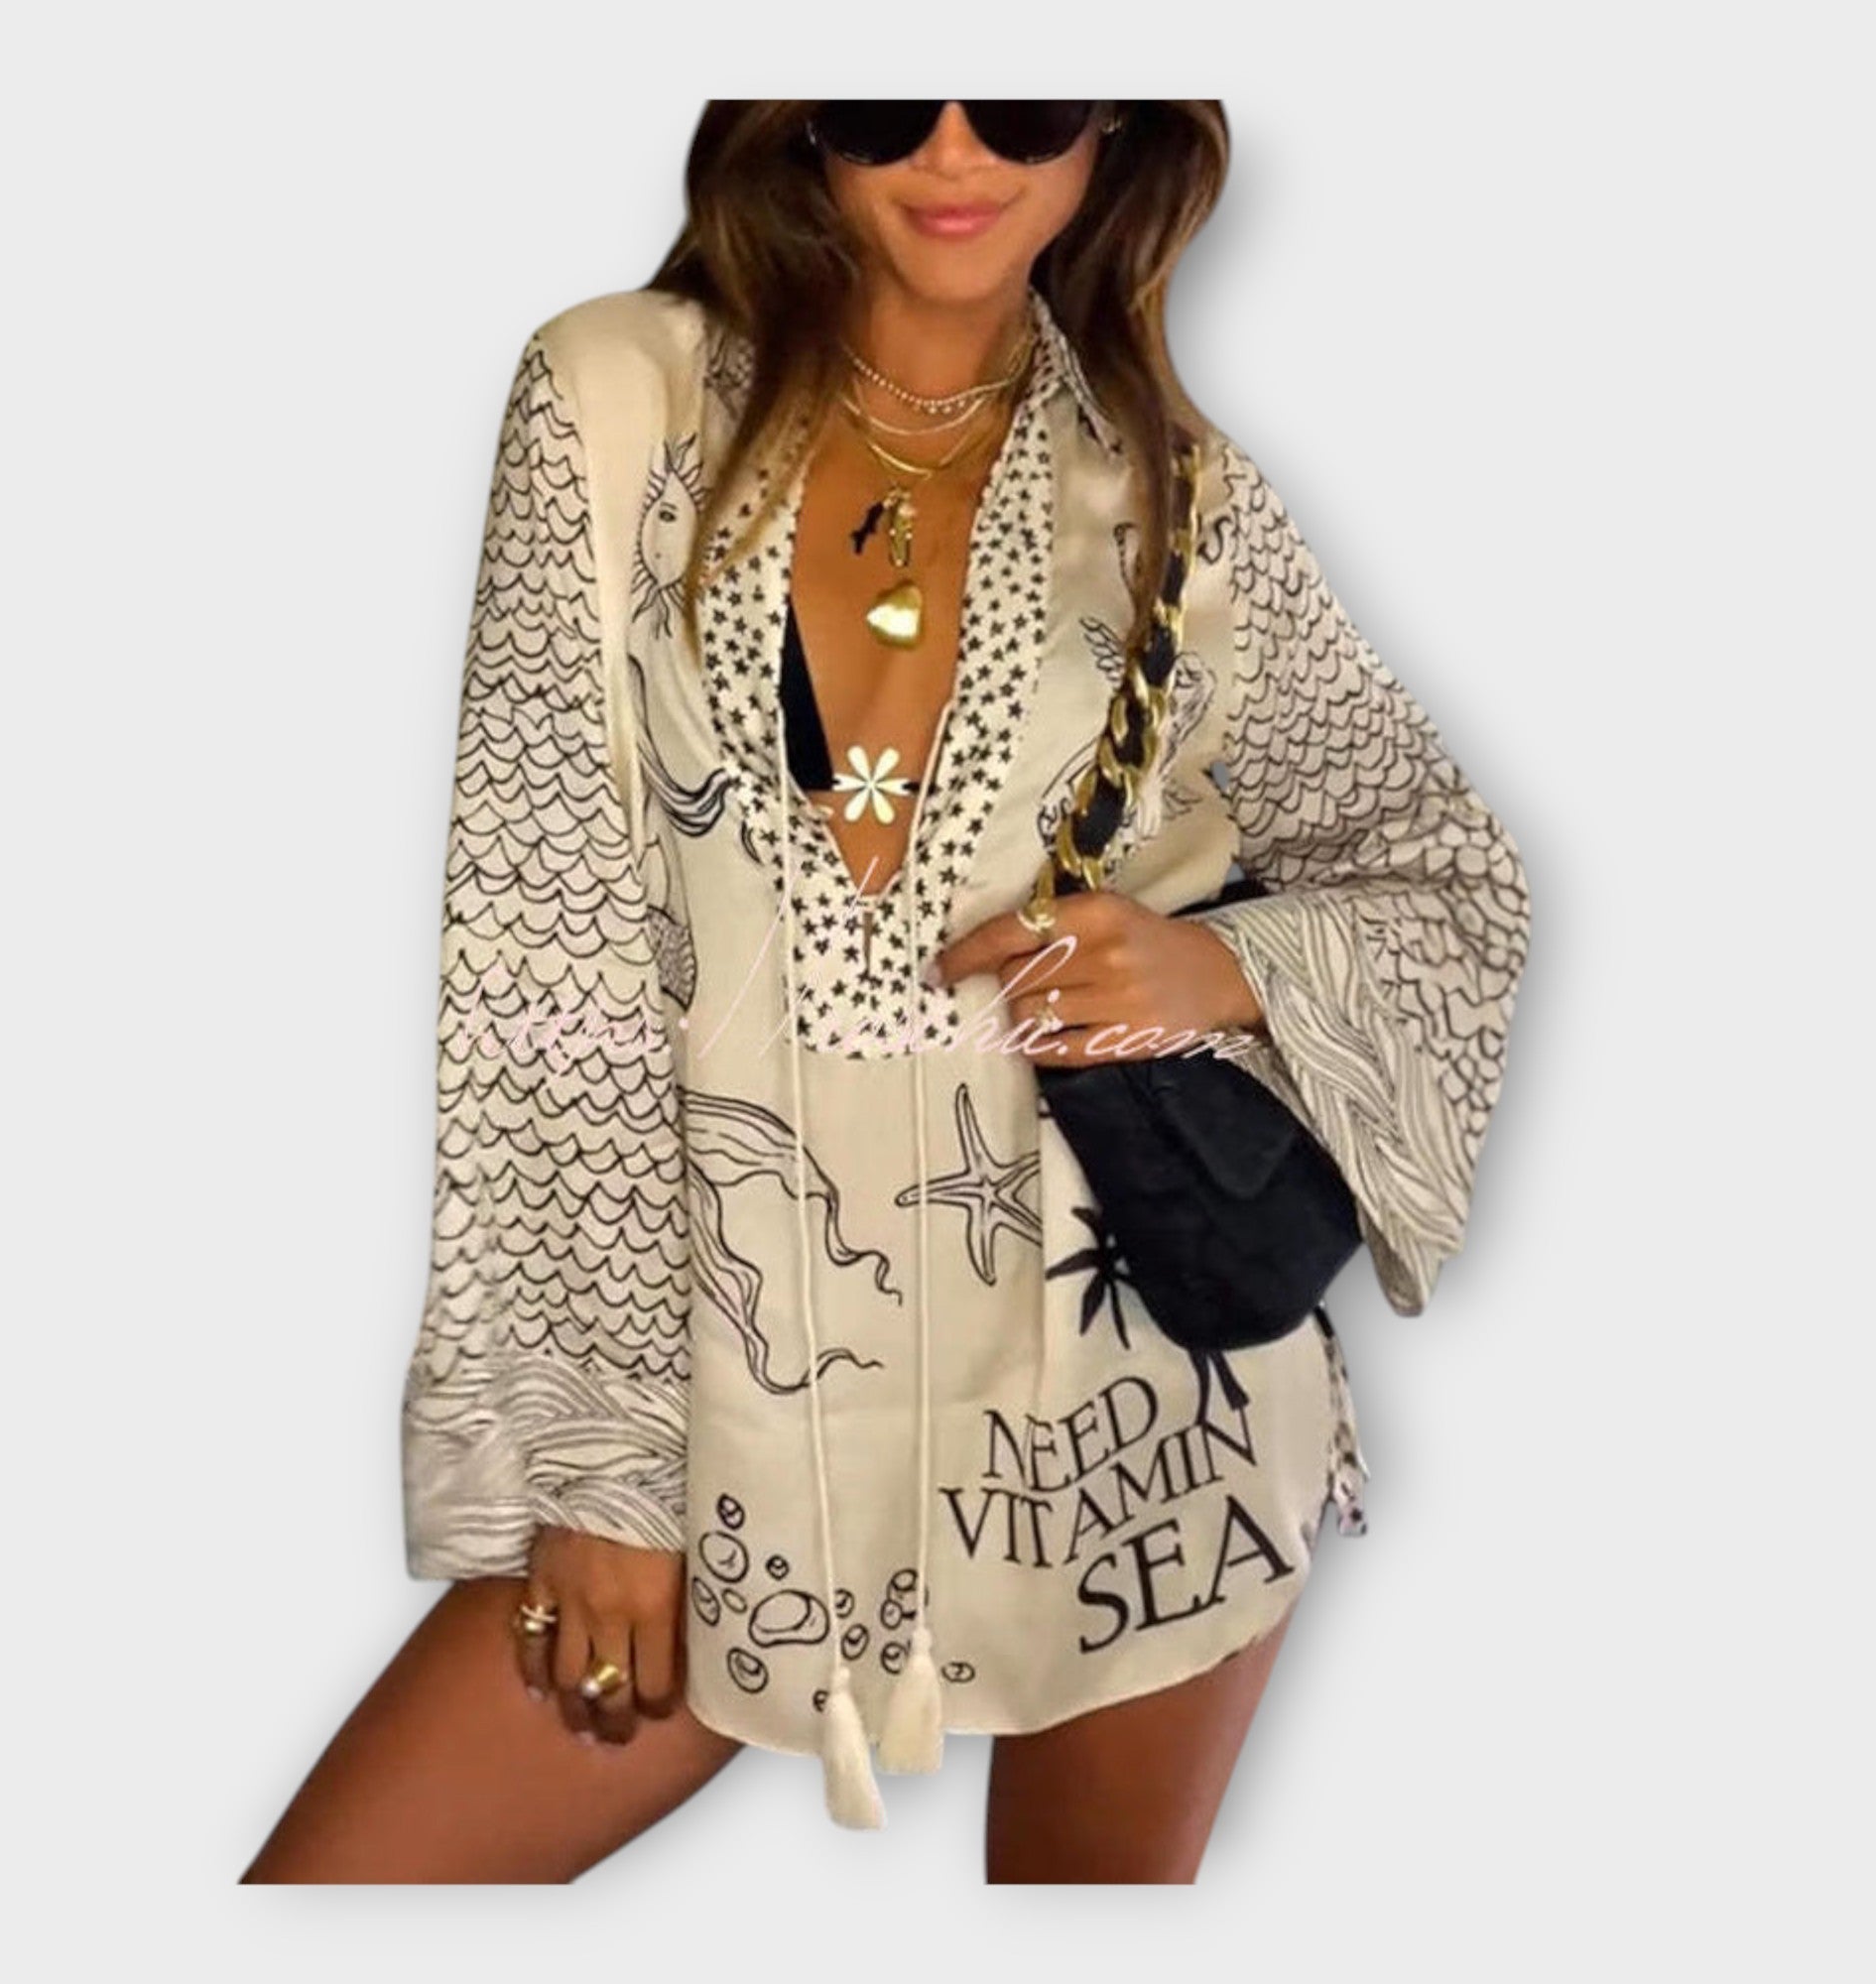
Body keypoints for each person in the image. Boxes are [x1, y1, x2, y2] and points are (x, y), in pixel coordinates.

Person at [242, 99, 1530, 1885]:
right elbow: (543, 966)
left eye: (1025, 97)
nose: (953, 150)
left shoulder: (1178, 500)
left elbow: (1443, 872)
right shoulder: (614, 402)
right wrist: (605, 1472)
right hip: (729, 1426)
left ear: (1116, 127)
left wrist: (1219, 964)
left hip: (1135, 1423)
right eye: (880, 95)